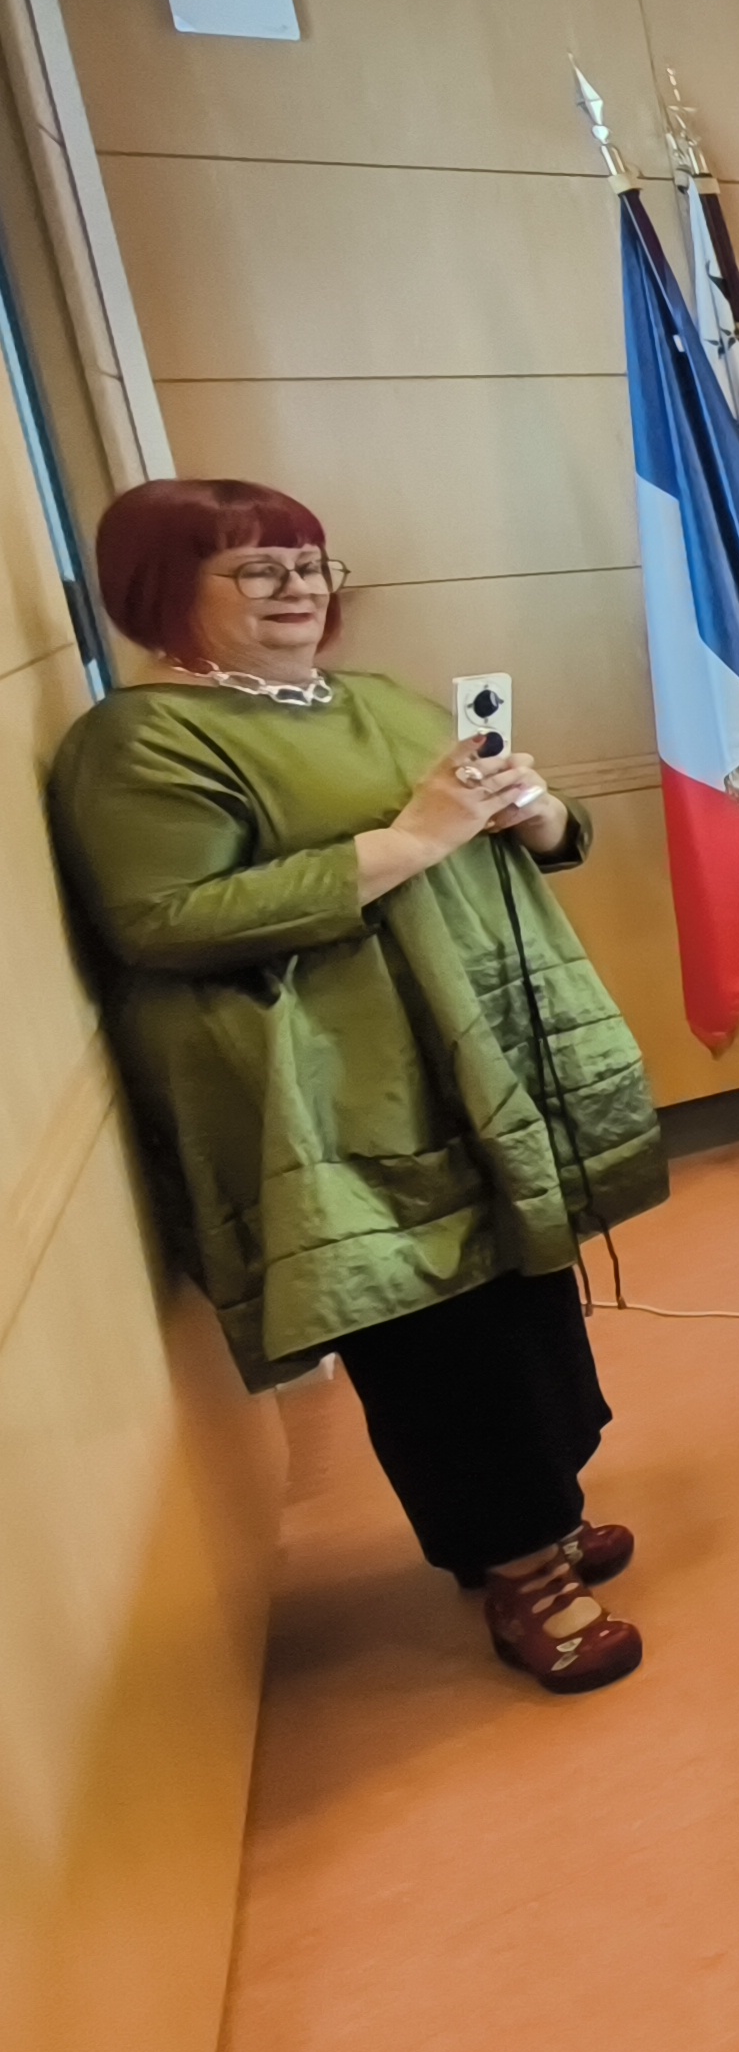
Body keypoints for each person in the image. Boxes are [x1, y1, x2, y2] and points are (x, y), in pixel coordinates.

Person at [50, 479, 665, 1692]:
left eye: (310, 564)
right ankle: (518, 1564)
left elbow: (535, 838)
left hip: (477, 1047)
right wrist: (414, 837)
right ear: (158, 589)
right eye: (256, 569)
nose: (297, 590)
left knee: (524, 1292)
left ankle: (541, 1504)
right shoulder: (141, 742)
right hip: (345, 1086)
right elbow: (162, 920)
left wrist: (534, 813)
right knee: (435, 1328)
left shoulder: (376, 699)